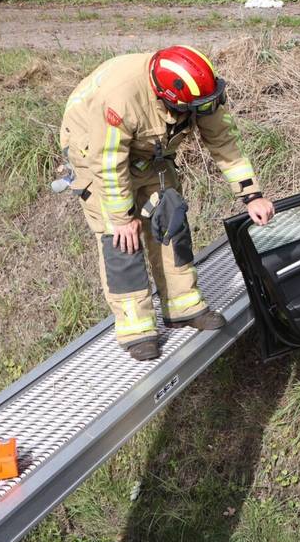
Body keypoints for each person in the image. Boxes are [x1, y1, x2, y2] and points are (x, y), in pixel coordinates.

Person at [58, 45, 276, 360]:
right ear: (170, 99)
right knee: (122, 240)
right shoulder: (119, 99)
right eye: (193, 109)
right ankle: (136, 328)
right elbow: (108, 164)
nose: (200, 113)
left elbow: (224, 141)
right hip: (93, 152)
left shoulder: (201, 88)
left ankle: (182, 306)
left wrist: (251, 194)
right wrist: (122, 217)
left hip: (148, 154)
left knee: (171, 213)